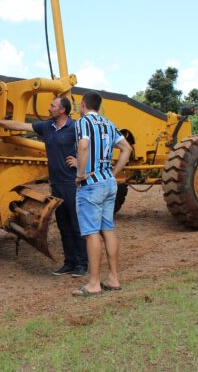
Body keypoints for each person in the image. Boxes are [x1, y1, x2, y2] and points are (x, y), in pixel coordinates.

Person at [0, 97, 89, 277]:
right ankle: (69, 263)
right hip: (56, 183)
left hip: (73, 183)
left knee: (75, 224)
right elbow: (19, 126)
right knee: (63, 225)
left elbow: (91, 147)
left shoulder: (76, 127)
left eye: (52, 105)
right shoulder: (47, 126)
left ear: (62, 110)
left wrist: (80, 163)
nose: (49, 108)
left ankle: (82, 264)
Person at [72, 91, 132, 297]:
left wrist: (80, 174)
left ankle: (94, 283)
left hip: (91, 185)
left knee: (91, 233)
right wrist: (114, 173)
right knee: (108, 229)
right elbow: (127, 149)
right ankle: (113, 278)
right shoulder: (108, 123)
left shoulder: (82, 123)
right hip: (108, 182)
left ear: (82, 104)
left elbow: (83, 145)